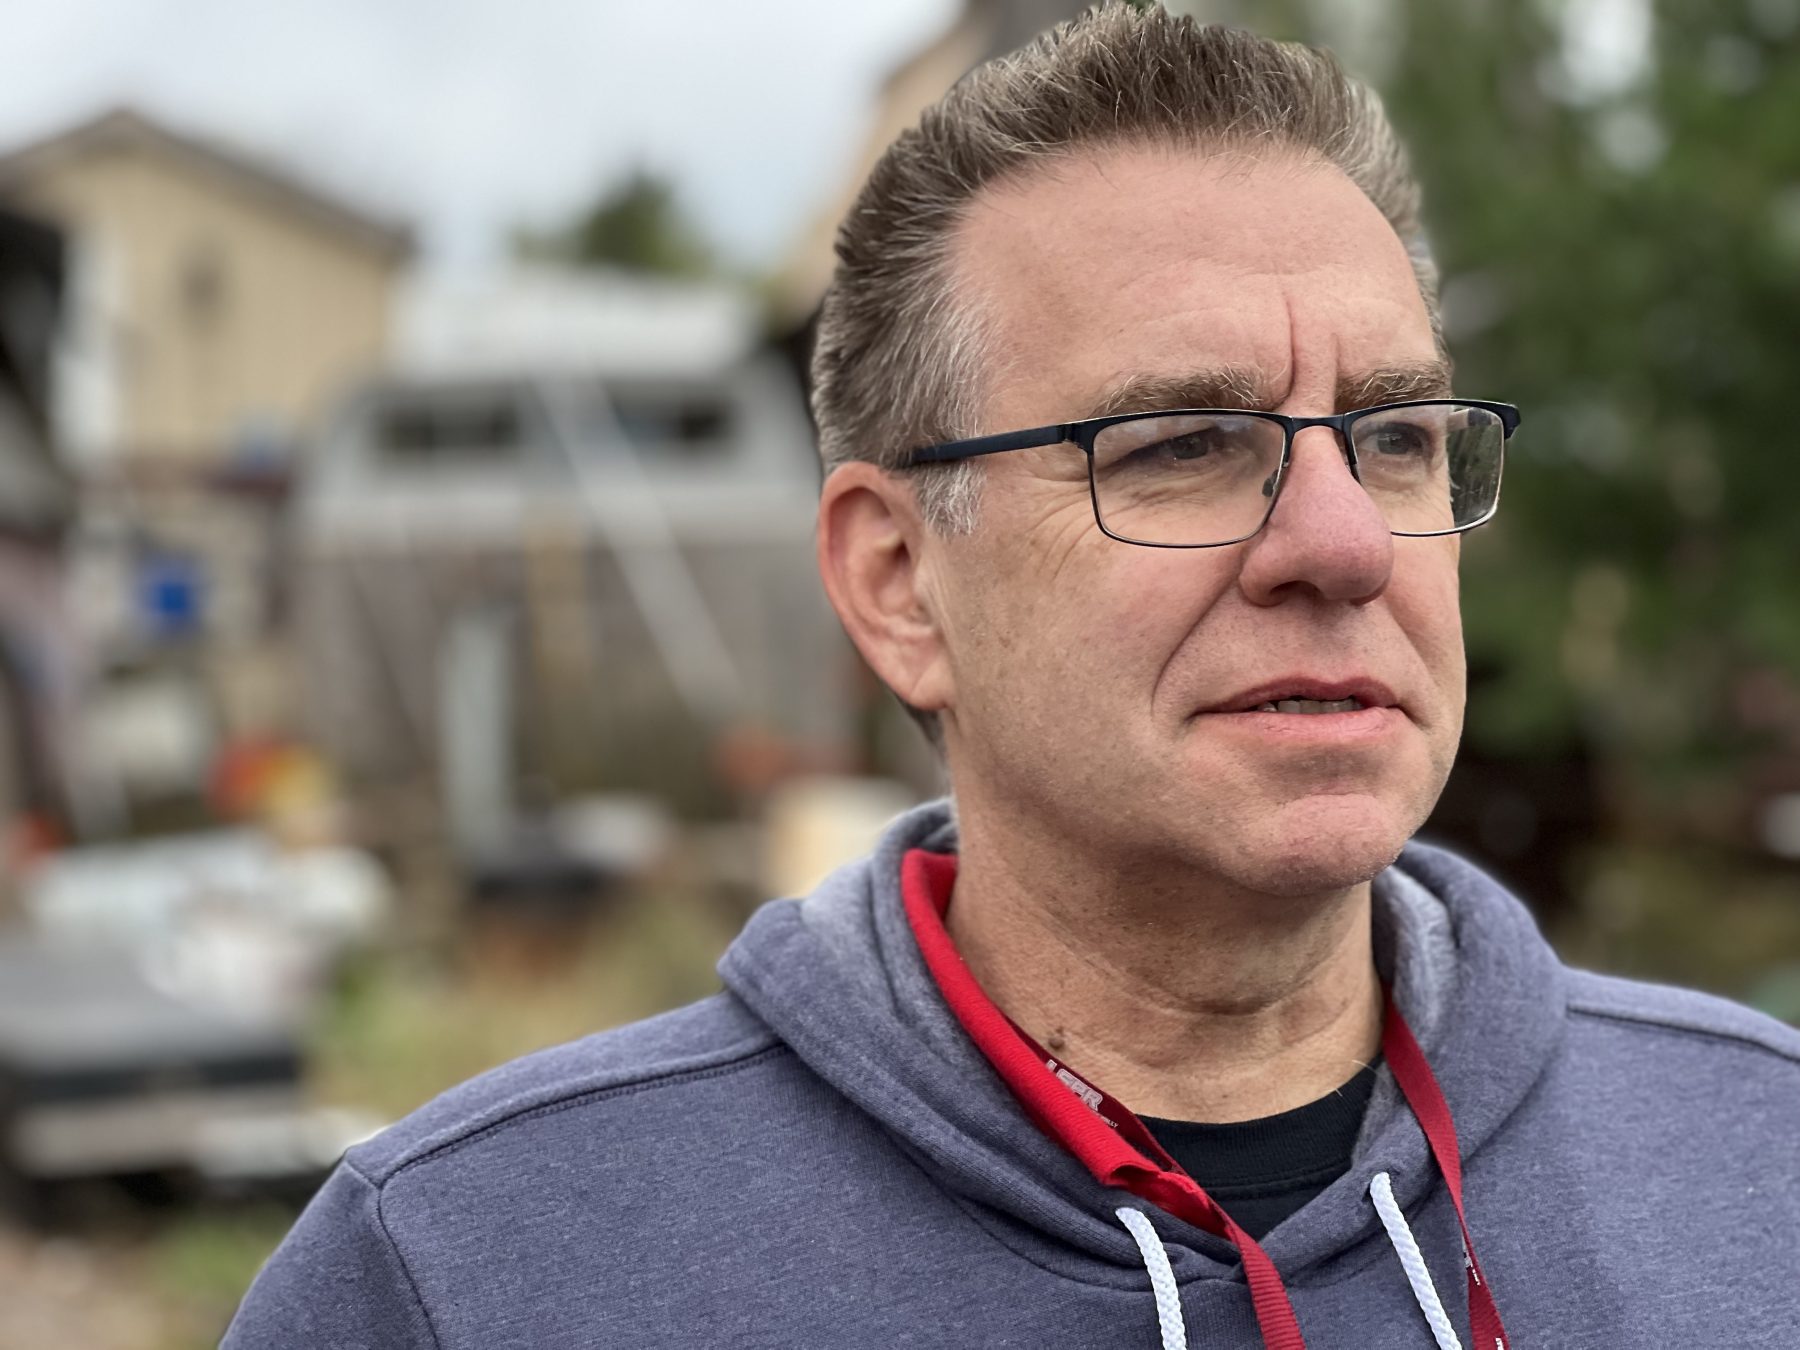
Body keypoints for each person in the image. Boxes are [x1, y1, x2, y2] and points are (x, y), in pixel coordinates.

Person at [225, 7, 1800, 1347]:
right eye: (1184, 442)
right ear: (898, 580)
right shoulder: (472, 1272)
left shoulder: (1759, 1160)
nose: (1343, 541)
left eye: (1393, 435)